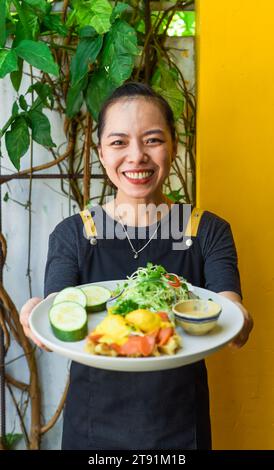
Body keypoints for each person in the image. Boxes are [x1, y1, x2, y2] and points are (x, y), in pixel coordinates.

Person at [20, 81, 253, 450]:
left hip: (180, 429)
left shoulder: (206, 230)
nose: (136, 156)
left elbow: (231, 317)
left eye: (152, 140)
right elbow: (58, 316)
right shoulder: (74, 234)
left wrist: (239, 319)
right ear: (100, 152)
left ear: (174, 146)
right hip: (93, 430)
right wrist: (34, 315)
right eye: (118, 142)